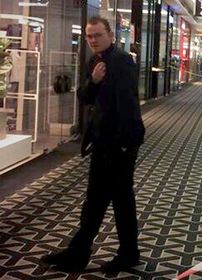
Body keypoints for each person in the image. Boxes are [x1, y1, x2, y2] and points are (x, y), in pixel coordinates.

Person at [41, 16, 145, 274]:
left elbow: (128, 105)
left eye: (97, 35)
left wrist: (124, 145)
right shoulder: (93, 62)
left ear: (110, 34)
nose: (93, 40)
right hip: (103, 141)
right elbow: (85, 96)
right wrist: (94, 81)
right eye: (89, 36)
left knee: (116, 199)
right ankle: (85, 252)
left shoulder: (121, 61)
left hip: (119, 144)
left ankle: (118, 253)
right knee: (100, 200)